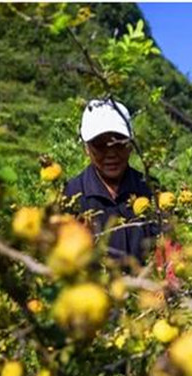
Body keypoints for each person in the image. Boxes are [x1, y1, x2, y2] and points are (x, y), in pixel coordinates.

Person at [64, 98, 157, 265]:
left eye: (119, 143)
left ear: (131, 144)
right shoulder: (71, 196)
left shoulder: (150, 189)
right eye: (100, 145)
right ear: (86, 148)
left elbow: (170, 250)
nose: (111, 153)